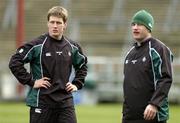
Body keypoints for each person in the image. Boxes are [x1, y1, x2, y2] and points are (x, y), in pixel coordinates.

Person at [9, 6, 87, 123]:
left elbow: (82, 65)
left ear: (65, 25)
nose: (55, 26)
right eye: (52, 22)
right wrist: (32, 81)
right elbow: (14, 62)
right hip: (42, 102)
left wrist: (77, 83)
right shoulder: (36, 45)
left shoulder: (73, 47)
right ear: (48, 23)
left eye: (58, 23)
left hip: (65, 103)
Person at [122, 10, 173, 123]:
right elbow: (128, 85)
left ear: (149, 27)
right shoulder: (130, 53)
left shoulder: (159, 49)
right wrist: (125, 113)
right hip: (130, 116)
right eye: (133, 24)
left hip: (152, 115)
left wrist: (154, 104)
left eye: (139, 24)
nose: (135, 27)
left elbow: (165, 79)